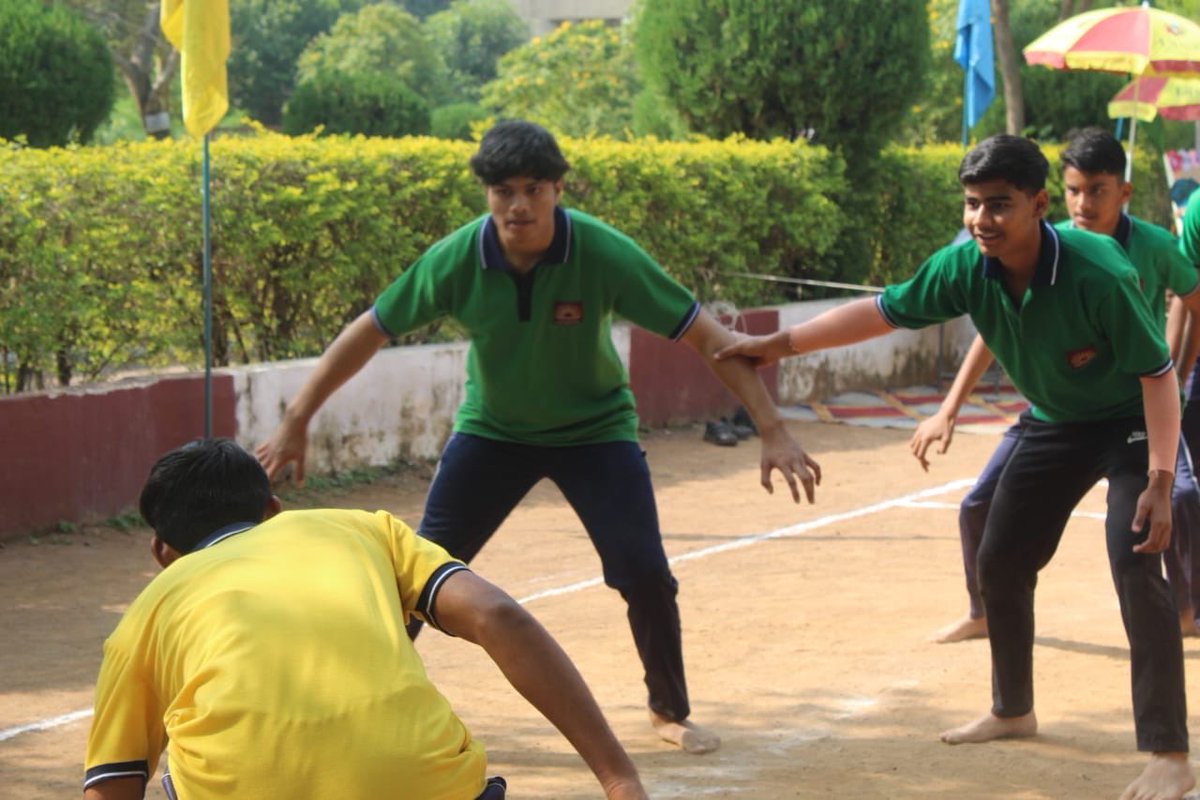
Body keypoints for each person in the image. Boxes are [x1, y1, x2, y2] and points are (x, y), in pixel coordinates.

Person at [256, 119, 821, 754]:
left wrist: (773, 429)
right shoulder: (457, 258)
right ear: (486, 193)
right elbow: (370, 329)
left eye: (533, 189)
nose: (518, 205)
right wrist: (297, 421)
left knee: (643, 572)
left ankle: (669, 711)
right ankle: (352, 706)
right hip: (493, 433)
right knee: (415, 574)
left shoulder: (604, 253)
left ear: (558, 189)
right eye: (502, 191)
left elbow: (709, 339)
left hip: (595, 432)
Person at [716, 135, 1194, 800]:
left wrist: (1163, 482)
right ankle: (1013, 710)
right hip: (1054, 421)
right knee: (999, 558)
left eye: (998, 206)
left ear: (1038, 203)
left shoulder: (1098, 269)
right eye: (972, 205)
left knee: (1135, 554)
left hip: (1129, 421)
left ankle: (1170, 753)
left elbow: (1158, 373)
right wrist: (781, 344)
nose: (981, 221)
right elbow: (881, 311)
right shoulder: (964, 265)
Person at [83, 438, 649, 800]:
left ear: (162, 552)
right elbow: (497, 615)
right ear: (275, 510)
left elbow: (111, 784)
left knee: (177, 771)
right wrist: (618, 778)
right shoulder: (362, 528)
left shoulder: (144, 615)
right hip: (425, 789)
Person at [909, 127, 1200, 643]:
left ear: (1124, 192)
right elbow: (997, 327)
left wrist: (1178, 372)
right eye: (1074, 190)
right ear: (1052, 197)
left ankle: (1184, 608)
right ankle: (984, 609)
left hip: (1133, 409)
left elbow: (1190, 304)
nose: (1083, 202)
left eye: (1097, 190)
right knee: (978, 503)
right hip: (1056, 414)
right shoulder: (1035, 243)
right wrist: (950, 405)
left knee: (1175, 496)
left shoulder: (1150, 248)